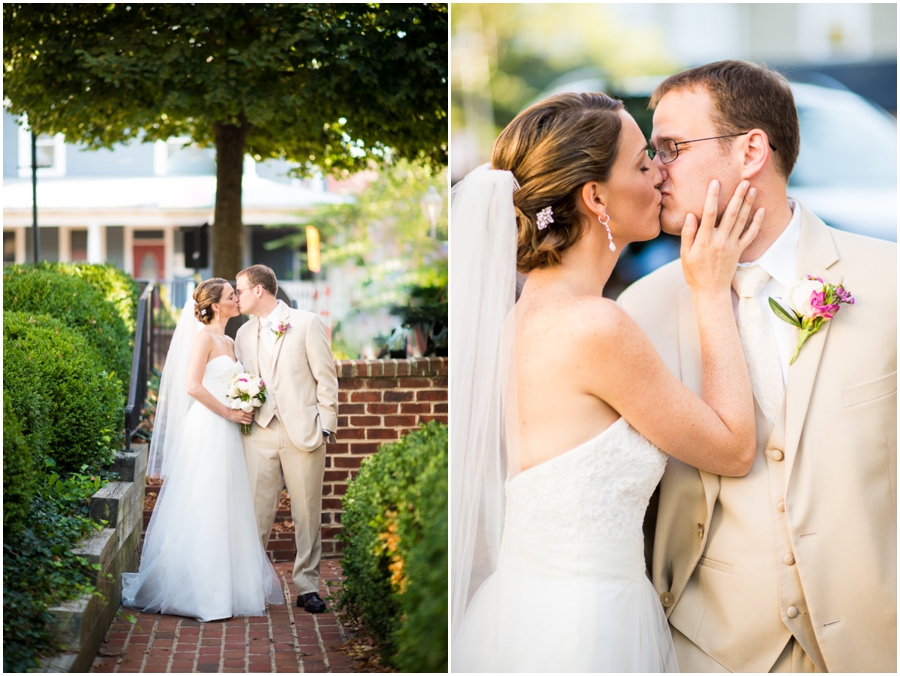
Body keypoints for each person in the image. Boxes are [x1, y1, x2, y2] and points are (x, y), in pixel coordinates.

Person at [450, 92, 766, 672]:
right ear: (595, 197)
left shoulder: (524, 317)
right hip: (590, 627)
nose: (661, 175)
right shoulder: (595, 325)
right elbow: (734, 448)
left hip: (529, 611)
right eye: (645, 162)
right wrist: (710, 291)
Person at [619, 60, 897, 673]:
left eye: (671, 148)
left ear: (750, 152)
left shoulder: (891, 283)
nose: (654, 172)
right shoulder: (638, 312)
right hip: (707, 649)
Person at [122, 278, 284, 622]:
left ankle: (228, 589)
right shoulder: (204, 339)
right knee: (204, 500)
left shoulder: (229, 340)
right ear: (214, 306)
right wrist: (228, 411)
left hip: (229, 431)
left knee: (228, 502)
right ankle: (199, 592)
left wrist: (246, 399)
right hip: (208, 428)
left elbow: (235, 384)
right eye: (230, 296)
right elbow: (192, 386)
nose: (237, 299)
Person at [234, 264, 339, 614]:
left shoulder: (307, 323)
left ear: (259, 290)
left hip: (304, 431)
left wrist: (326, 425)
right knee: (255, 512)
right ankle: (251, 583)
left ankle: (307, 586)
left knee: (307, 513)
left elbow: (326, 378)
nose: (237, 298)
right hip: (259, 433)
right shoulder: (243, 335)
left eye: (241, 291)